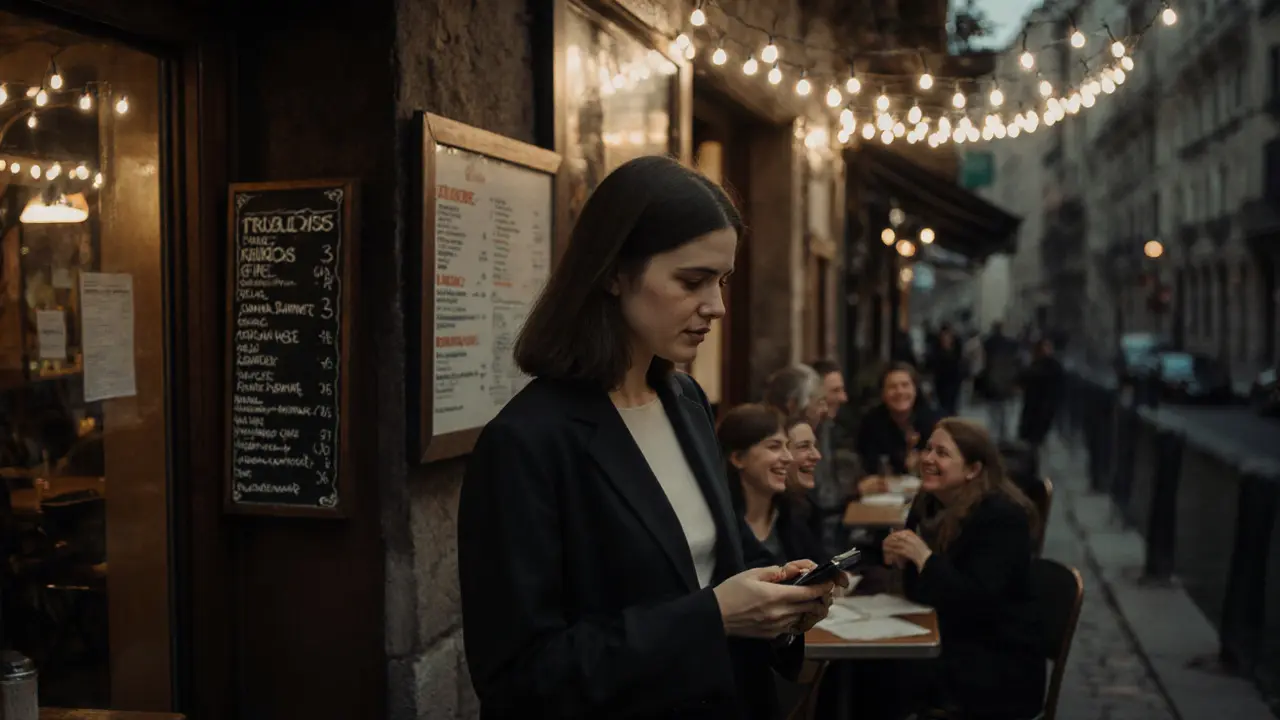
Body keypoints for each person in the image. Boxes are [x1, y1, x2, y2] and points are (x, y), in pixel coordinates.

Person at [457, 156, 838, 719]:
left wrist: (787, 591)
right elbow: (520, 675)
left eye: (723, 280)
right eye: (692, 281)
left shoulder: (685, 404)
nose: (717, 306)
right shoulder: (526, 442)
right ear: (614, 272)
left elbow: (716, 555)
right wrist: (713, 618)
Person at [882, 418, 1045, 719]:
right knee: (861, 669)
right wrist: (900, 560)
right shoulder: (927, 504)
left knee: (882, 675)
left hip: (996, 661)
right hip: (950, 637)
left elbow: (979, 603)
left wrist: (925, 559)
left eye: (942, 453)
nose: (928, 459)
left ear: (973, 470)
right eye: (928, 449)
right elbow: (921, 592)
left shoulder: (1002, 518)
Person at [719, 404, 824, 565]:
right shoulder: (717, 526)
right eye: (774, 447)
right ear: (738, 458)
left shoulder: (796, 514)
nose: (788, 457)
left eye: (787, 447)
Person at [854, 363, 940, 497]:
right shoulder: (870, 423)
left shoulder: (934, 421)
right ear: (883, 393)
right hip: (882, 496)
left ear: (915, 390)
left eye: (905, 385)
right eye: (892, 387)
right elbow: (868, 466)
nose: (899, 392)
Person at [1017, 337, 1066, 463]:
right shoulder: (1036, 365)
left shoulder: (1052, 367)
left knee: (1040, 443)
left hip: (1045, 409)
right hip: (1035, 409)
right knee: (1034, 444)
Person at [980, 321, 1021, 440]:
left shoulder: (989, 344)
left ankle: (994, 435)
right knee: (1003, 411)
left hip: (993, 382)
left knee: (994, 411)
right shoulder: (1009, 345)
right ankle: (1002, 435)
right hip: (1004, 383)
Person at [926, 324, 965, 417]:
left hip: (954, 381)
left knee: (952, 405)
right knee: (942, 405)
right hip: (941, 382)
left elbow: (961, 364)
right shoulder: (936, 350)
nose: (946, 339)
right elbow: (930, 365)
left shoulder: (957, 349)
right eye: (944, 336)